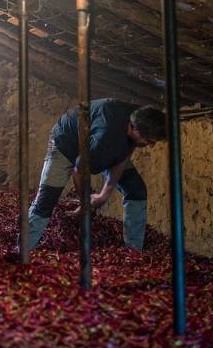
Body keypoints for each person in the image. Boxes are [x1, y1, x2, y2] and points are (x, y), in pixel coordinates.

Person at [27, 98, 166, 251]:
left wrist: (104, 195)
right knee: (47, 197)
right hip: (66, 142)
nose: (152, 146)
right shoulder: (107, 137)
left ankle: (133, 250)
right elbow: (79, 170)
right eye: (149, 140)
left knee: (136, 190)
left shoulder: (143, 117)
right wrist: (85, 204)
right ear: (134, 129)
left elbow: (123, 156)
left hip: (101, 140)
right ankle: (24, 250)